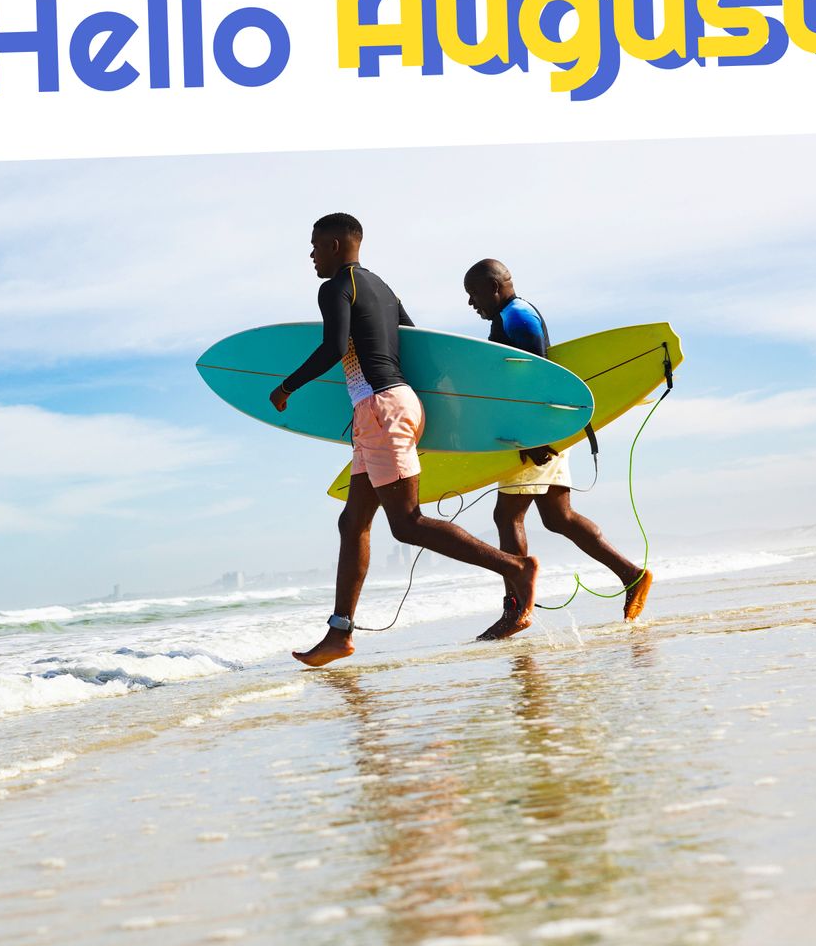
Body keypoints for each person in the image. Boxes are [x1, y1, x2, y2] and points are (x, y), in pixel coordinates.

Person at [270, 215, 539, 666]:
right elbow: (417, 343)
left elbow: (334, 348)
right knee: (352, 522)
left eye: (315, 245)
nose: (311, 255)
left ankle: (514, 567)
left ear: (337, 245)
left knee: (407, 523)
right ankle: (339, 633)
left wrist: (287, 387)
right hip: (388, 407)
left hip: (380, 408)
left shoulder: (337, 286)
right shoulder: (384, 289)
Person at [463, 258, 653, 639]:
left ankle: (516, 609)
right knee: (558, 517)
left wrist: (537, 438)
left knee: (508, 517)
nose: (471, 304)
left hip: (534, 435)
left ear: (494, 287)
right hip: (542, 431)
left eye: (474, 295)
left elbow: (542, 379)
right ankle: (633, 576)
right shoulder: (512, 315)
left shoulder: (516, 318)